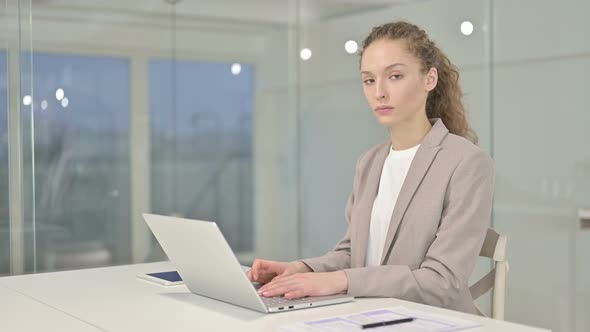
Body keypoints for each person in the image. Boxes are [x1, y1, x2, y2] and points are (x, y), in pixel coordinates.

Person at [247, 21, 495, 314]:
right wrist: (300, 269)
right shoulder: (370, 162)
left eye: (395, 76)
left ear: (429, 79)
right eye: (369, 80)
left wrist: (340, 281)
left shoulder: (466, 163)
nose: (380, 92)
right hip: (371, 314)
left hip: (434, 320)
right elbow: (353, 253)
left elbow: (442, 282)